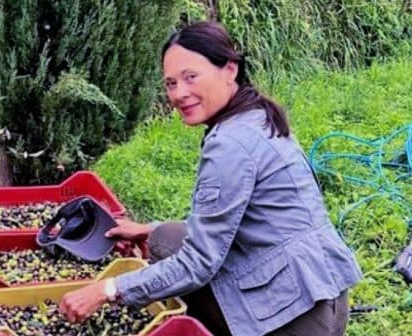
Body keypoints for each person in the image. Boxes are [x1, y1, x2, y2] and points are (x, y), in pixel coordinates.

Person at [59, 21, 363, 336]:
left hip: (297, 319)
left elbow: (197, 264)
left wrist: (107, 290)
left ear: (230, 69)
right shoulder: (255, 114)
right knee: (165, 238)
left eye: (191, 77)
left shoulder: (230, 143)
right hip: (322, 291)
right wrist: (148, 230)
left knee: (180, 264)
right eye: (171, 83)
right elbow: (225, 222)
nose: (179, 94)